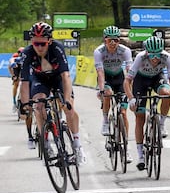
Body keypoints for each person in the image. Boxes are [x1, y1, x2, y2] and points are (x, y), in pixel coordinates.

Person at [19, 22, 86, 164]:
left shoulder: (57, 48)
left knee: (69, 108)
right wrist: (25, 105)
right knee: (38, 105)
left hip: (58, 78)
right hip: (40, 80)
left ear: (49, 41)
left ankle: (77, 145)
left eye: (42, 44)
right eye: (36, 43)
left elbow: (66, 76)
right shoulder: (27, 53)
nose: (39, 47)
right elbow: (24, 83)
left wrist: (67, 100)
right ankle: (46, 143)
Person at [123, 36, 170, 171]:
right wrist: (131, 98)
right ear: (147, 52)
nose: (155, 58)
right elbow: (127, 82)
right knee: (140, 117)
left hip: (157, 78)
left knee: (166, 94)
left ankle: (161, 124)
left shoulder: (167, 57)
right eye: (152, 55)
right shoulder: (140, 57)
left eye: (158, 55)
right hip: (140, 81)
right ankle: (141, 155)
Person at [94, 25, 133, 163]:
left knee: (123, 112)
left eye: (115, 40)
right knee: (108, 94)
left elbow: (129, 71)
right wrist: (101, 89)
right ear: (105, 40)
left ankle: (126, 148)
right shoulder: (99, 51)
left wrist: (130, 92)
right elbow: (100, 72)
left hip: (120, 79)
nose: (112, 43)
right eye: (110, 40)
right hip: (106, 78)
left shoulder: (125, 51)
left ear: (119, 41)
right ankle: (105, 120)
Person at [8, 47, 25, 113]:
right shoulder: (15, 57)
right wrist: (13, 76)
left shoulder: (26, 56)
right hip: (16, 69)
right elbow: (10, 67)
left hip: (23, 69)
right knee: (16, 83)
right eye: (19, 53)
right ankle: (14, 101)